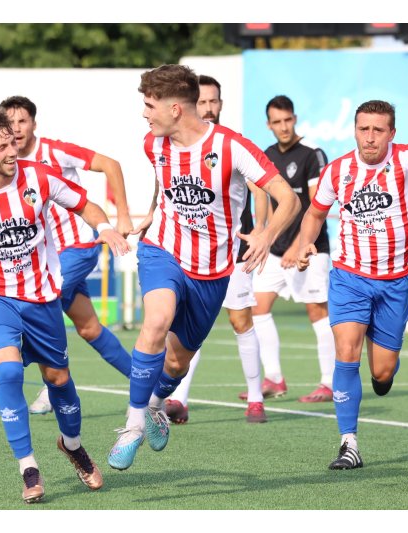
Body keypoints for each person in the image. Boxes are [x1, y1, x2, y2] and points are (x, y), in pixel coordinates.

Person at [0, 108, 130, 502]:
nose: (11, 150)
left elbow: (86, 205)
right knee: (8, 374)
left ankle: (72, 445)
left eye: (12, 141)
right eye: (0, 146)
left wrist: (104, 227)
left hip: (40, 296)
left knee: (58, 380)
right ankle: (28, 467)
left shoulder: (38, 176)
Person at [107, 64, 300, 471]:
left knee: (177, 363)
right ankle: (133, 424)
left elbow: (288, 198)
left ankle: (157, 405)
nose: (144, 113)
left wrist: (265, 234)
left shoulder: (232, 147)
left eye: (149, 105)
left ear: (175, 108)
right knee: (155, 322)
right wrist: (152, 215)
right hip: (163, 250)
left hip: (212, 270)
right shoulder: (152, 144)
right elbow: (165, 184)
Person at [295, 100, 408, 469]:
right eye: (363, 129)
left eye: (378, 130)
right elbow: (315, 213)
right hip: (350, 277)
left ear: (391, 134)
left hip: (395, 282)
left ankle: (383, 370)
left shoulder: (406, 160)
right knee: (346, 351)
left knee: (382, 372)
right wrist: (306, 242)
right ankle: (348, 443)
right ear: (355, 130)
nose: (369, 138)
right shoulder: (338, 171)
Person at [0, 96, 134, 416]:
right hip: (50, 259)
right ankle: (147, 384)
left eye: (22, 121)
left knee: (38, 307)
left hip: (79, 247)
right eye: (10, 123)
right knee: (89, 329)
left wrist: (122, 215)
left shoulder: (53, 151)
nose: (16, 129)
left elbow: (110, 164)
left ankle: (52, 383)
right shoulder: (9, 166)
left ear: (34, 124)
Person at [162, 75, 270, 425]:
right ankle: (179, 399)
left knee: (240, 320)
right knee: (186, 327)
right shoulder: (176, 144)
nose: (208, 107)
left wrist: (259, 232)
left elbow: (262, 190)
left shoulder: (230, 144)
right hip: (189, 252)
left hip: (231, 250)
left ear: (220, 104)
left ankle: (255, 398)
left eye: (213, 101)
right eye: (203, 101)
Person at [238, 95, 336, 403]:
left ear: (294, 119)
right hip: (277, 250)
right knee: (258, 309)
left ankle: (329, 383)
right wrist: (263, 233)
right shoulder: (266, 154)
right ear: (268, 124)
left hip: (310, 249)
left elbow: (314, 206)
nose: (283, 126)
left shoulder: (312, 155)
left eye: (287, 120)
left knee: (317, 312)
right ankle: (275, 379)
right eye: (276, 122)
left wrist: (299, 246)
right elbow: (264, 199)